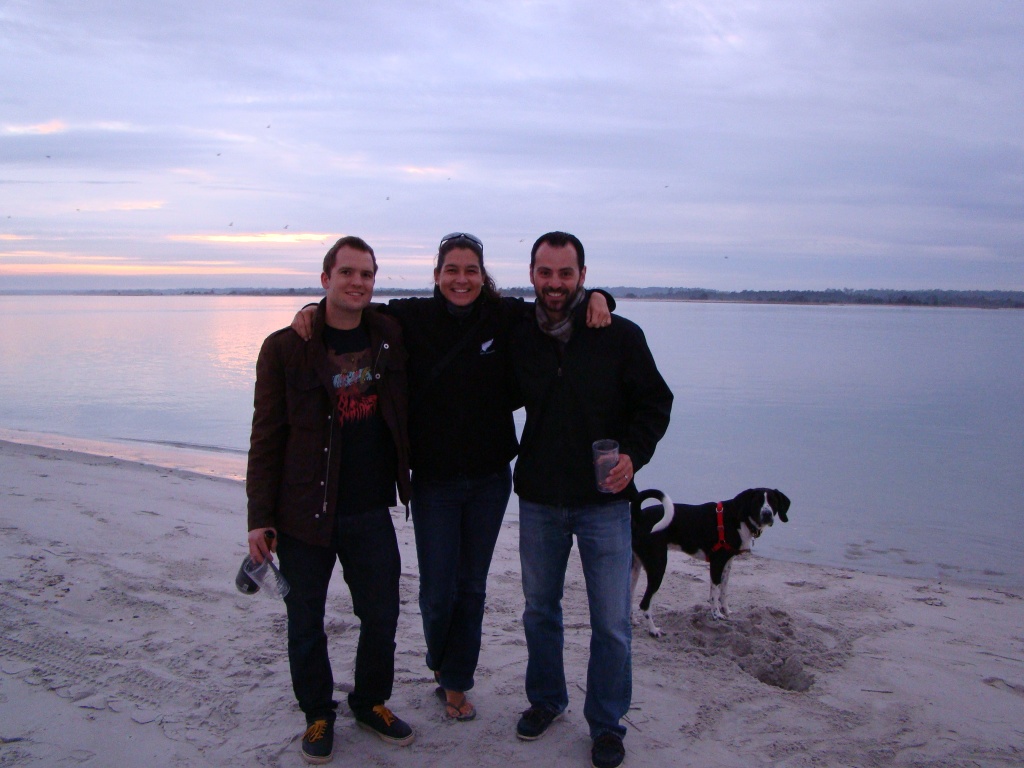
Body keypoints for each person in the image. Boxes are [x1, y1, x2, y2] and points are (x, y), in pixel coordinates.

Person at [289, 233, 613, 722]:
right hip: (434, 480)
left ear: (483, 276)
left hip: (489, 479)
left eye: (471, 270)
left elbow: (556, 304)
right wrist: (313, 308)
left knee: (472, 587)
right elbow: (353, 311)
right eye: (452, 270)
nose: (462, 280)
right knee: (437, 591)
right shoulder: (411, 316)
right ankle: (441, 661)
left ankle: (456, 679)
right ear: (437, 275)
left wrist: (602, 298)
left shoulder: (505, 316)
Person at [246, 235, 415, 765]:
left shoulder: (389, 332)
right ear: (325, 279)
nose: (357, 282)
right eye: (347, 273)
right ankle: (318, 713)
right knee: (305, 621)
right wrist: (259, 518)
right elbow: (265, 436)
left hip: (370, 507)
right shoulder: (284, 347)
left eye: (366, 274)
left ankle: (370, 702)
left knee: (381, 615)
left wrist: (602, 299)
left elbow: (453, 308)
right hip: (304, 512)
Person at [509, 231, 673, 768]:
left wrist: (633, 456)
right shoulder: (519, 330)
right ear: (532, 274)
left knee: (611, 623)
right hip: (539, 497)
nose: (555, 284)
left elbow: (656, 402)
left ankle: (606, 723)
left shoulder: (618, 334)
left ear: (582, 275)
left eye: (566, 273)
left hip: (605, 502)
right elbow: (453, 316)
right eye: (545, 273)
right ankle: (546, 700)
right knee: (540, 611)